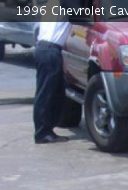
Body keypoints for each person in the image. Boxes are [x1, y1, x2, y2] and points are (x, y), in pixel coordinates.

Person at [33, 8, 74, 144]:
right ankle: (42, 133)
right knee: (46, 94)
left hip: (44, 49)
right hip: (50, 50)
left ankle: (46, 130)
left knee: (54, 92)